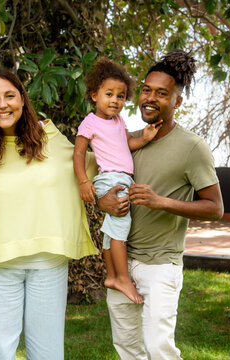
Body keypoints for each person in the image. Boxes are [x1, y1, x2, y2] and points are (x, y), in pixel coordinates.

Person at [99, 50, 224, 359]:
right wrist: (103, 202)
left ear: (177, 102)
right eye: (146, 90)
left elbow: (215, 207)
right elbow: (102, 183)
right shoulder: (125, 140)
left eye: (162, 93)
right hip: (121, 261)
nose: (150, 98)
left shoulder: (192, 147)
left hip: (160, 265)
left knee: (159, 349)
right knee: (127, 348)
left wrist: (162, 202)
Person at [0, 69, 98, 360]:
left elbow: (95, 164)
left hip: (48, 261)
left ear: (23, 99)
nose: (3, 104)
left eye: (9, 96)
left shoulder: (51, 138)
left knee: (47, 352)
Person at [73, 58, 162, 305]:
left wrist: (145, 138)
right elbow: (79, 153)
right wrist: (83, 181)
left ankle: (112, 275)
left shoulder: (119, 121)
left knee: (112, 232)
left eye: (121, 96)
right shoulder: (90, 122)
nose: (115, 100)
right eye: (109, 94)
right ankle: (123, 278)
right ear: (94, 95)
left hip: (122, 177)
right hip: (112, 179)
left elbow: (126, 145)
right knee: (121, 229)